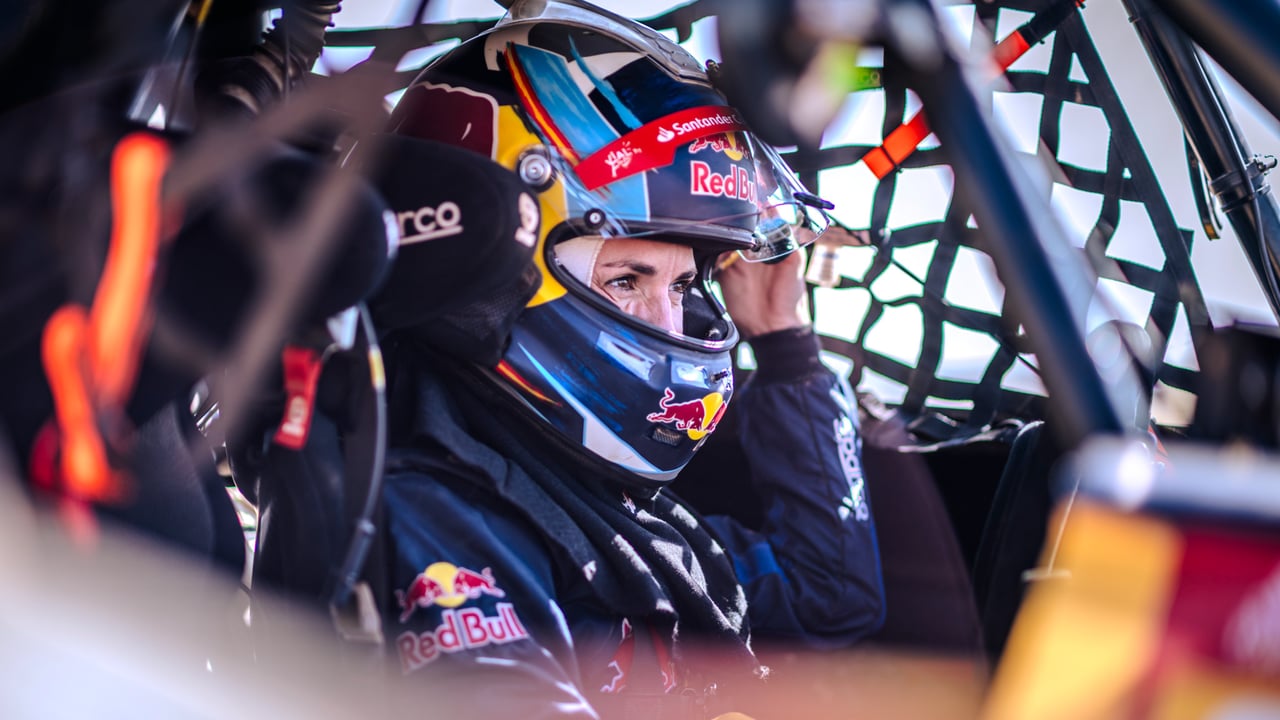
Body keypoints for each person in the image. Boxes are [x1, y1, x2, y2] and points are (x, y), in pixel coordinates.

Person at [366, 1, 883, 716]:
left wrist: (784, 343)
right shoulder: (436, 518)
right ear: (494, 280)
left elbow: (831, 599)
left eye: (682, 285)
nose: (669, 322)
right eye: (626, 279)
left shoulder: (599, 501)